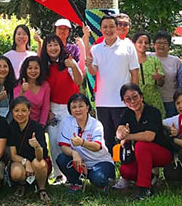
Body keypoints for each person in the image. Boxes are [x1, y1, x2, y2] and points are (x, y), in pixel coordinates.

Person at [85, 15, 139, 153]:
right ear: (101, 29)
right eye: (105, 27)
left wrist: (135, 97)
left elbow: (134, 73)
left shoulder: (128, 46)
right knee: (107, 139)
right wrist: (89, 65)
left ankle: (127, 170)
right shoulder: (96, 49)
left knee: (125, 139)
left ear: (117, 28)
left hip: (123, 102)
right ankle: (110, 169)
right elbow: (93, 72)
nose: (108, 30)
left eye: (111, 26)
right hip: (102, 102)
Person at [114, 84, 173, 198]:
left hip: (161, 153)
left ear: (141, 96)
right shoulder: (127, 113)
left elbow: (149, 136)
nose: (132, 101)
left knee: (142, 145)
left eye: (135, 97)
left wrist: (128, 136)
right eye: (128, 99)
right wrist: (121, 133)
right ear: (124, 102)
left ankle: (144, 188)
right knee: (126, 171)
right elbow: (119, 131)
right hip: (141, 156)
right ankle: (150, 177)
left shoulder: (153, 112)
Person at [40, 34, 82, 184]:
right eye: (49, 45)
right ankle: (59, 174)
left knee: (70, 141)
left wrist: (73, 65)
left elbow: (79, 80)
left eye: (55, 44)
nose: (53, 48)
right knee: (54, 141)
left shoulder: (68, 62)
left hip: (70, 108)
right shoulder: (43, 66)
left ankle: (75, 174)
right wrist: (48, 111)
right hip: (53, 108)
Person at [56, 93, 115, 193]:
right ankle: (75, 183)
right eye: (74, 107)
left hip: (100, 161)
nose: (77, 109)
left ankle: (101, 181)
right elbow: (63, 145)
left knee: (98, 178)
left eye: (81, 106)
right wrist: (74, 153)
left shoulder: (96, 124)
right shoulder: (66, 122)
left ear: (87, 107)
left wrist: (82, 142)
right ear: (70, 110)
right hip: (79, 161)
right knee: (62, 159)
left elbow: (97, 146)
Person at [7, 96, 51, 203]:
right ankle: (22, 185)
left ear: (29, 111)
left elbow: (41, 157)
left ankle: (41, 189)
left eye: (23, 110)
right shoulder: (11, 127)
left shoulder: (37, 127)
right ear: (12, 112)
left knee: (38, 163)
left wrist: (36, 146)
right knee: (16, 172)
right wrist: (26, 162)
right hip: (20, 161)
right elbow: (13, 155)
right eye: (16, 110)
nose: (20, 114)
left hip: (38, 162)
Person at [131, 31, 166, 117]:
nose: (143, 44)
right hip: (135, 102)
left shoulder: (154, 60)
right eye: (140, 42)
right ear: (134, 44)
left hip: (154, 101)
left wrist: (159, 79)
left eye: (146, 43)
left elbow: (161, 83)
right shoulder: (129, 61)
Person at [150, 31, 182, 118]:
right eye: (159, 43)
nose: (161, 45)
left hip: (170, 100)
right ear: (154, 45)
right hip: (152, 99)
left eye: (165, 43)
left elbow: (180, 81)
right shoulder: (148, 57)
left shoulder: (176, 61)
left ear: (169, 46)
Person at [14, 56, 50, 127]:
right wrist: (22, 91)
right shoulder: (18, 84)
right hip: (19, 123)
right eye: (30, 68)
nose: (33, 71)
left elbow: (45, 108)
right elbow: (15, 104)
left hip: (37, 124)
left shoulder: (45, 85)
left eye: (36, 68)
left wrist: (41, 125)